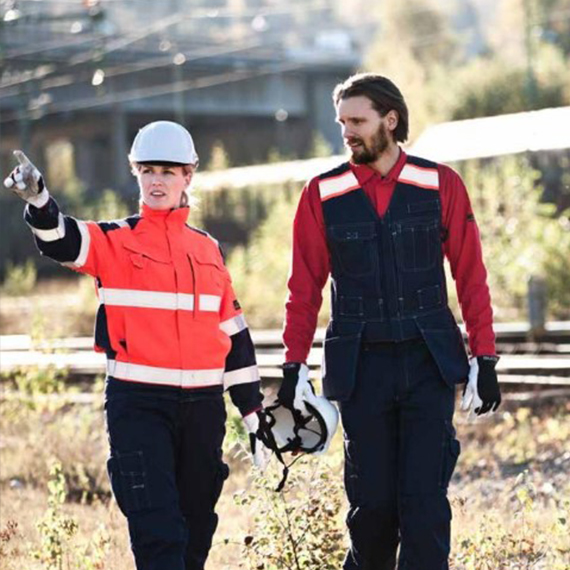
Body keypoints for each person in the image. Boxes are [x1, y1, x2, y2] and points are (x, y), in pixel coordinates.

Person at [4, 121, 270, 570]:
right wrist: (39, 201)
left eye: (168, 170)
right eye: (147, 170)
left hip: (203, 408)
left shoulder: (208, 249)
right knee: (158, 533)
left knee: (196, 532)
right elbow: (63, 240)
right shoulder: (115, 241)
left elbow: (234, 334)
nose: (157, 180)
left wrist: (252, 411)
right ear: (136, 174)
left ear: (189, 175)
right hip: (140, 406)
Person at [277, 73, 501, 570]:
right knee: (372, 512)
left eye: (357, 121)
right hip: (362, 372)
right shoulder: (322, 193)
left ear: (390, 120)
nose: (347, 132)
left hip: (428, 365)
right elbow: (304, 287)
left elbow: (470, 275)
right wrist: (293, 367)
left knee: (424, 511)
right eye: (342, 123)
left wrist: (485, 357)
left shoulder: (440, 183)